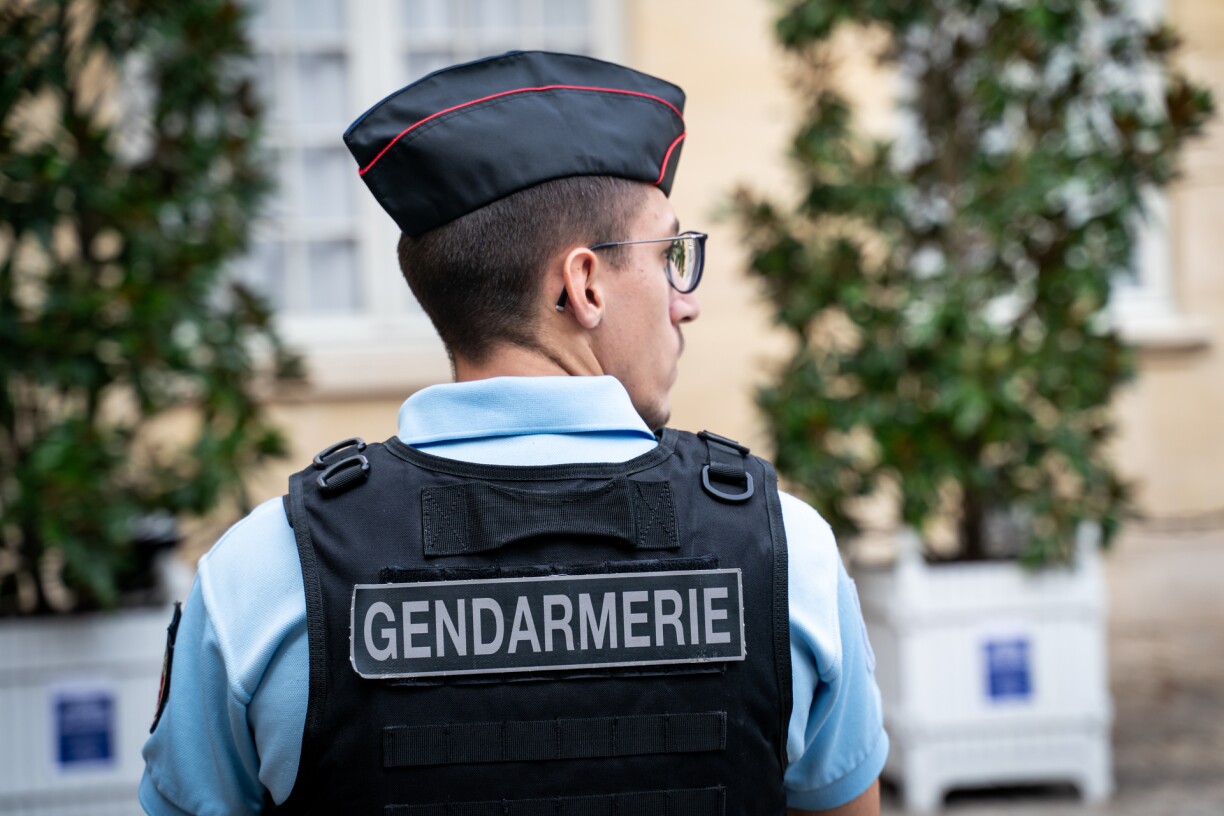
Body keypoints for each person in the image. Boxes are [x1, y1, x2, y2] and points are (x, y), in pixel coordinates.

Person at [140, 50, 887, 815]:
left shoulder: (262, 576)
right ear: (584, 284)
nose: (685, 301)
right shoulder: (786, 556)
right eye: (669, 255)